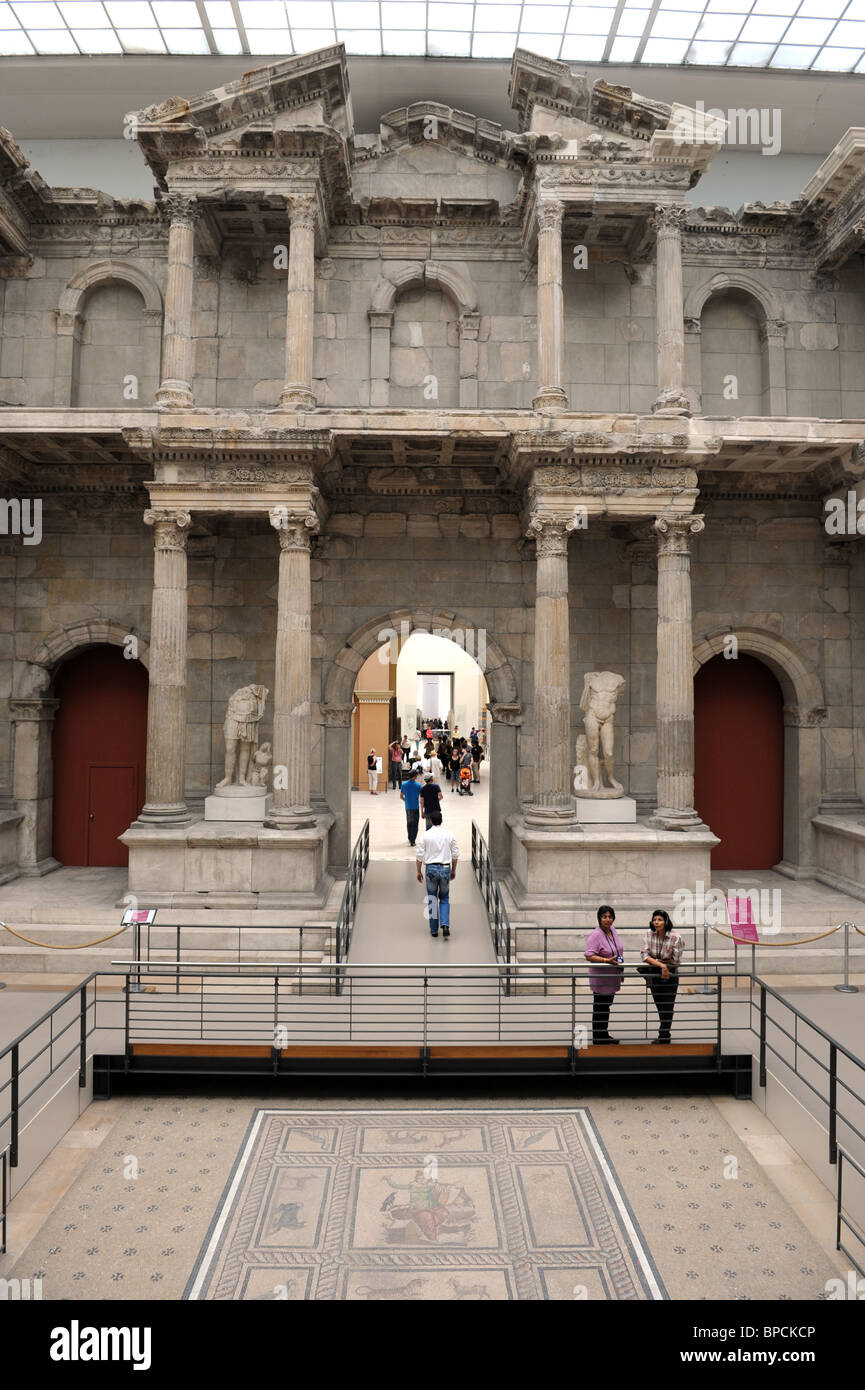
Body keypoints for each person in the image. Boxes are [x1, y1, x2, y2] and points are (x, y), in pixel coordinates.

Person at [640, 908, 685, 1044]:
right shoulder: (649, 934)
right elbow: (643, 955)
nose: (656, 922)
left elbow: (675, 961)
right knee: (660, 1005)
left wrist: (656, 961)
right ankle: (664, 1034)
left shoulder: (676, 937)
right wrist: (662, 964)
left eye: (659, 919)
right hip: (654, 974)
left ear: (665, 921)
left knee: (668, 1006)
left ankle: (664, 1035)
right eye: (654, 919)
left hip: (670, 975)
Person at [415, 810, 459, 938]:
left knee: (432, 899)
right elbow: (455, 855)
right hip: (445, 869)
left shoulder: (425, 835)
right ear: (442, 820)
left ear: (430, 821)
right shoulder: (449, 834)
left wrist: (418, 871)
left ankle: (434, 930)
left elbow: (419, 856)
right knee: (444, 898)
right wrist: (453, 870)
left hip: (431, 870)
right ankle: (445, 924)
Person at [584, 905, 624, 1044]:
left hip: (612, 977)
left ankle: (603, 1034)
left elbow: (617, 950)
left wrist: (620, 965)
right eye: (604, 917)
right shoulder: (595, 935)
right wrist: (606, 960)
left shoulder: (612, 930)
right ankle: (598, 1037)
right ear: (599, 918)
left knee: (606, 1006)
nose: (608, 919)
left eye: (610, 917)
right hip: (601, 979)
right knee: (600, 1007)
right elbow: (589, 955)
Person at [400, 766, 423, 846]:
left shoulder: (404, 784)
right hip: (416, 807)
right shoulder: (418, 785)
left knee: (409, 823)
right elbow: (422, 796)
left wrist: (406, 801)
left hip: (408, 807)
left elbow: (401, 796)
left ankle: (410, 838)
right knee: (415, 824)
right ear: (415, 776)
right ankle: (413, 840)